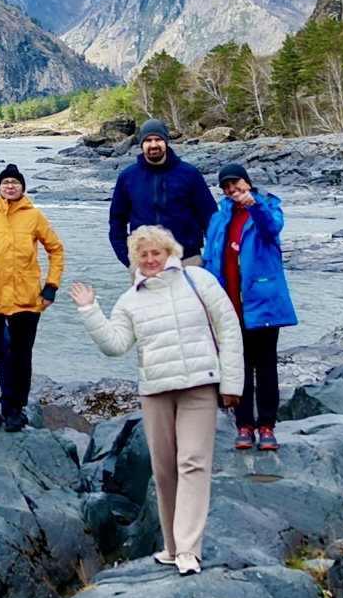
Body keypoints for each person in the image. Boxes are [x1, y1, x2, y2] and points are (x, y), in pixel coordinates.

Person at [68, 225, 242, 575]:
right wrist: (89, 311)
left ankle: (190, 550)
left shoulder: (199, 281)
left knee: (193, 464)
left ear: (170, 253)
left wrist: (232, 383)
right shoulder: (130, 300)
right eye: (143, 255)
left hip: (199, 386)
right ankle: (173, 546)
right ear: (135, 260)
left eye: (155, 253)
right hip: (155, 392)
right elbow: (115, 345)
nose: (150, 260)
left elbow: (228, 327)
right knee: (164, 472)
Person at [199, 163, 297, 452]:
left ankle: (267, 425)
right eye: (226, 186)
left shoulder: (268, 207)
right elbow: (210, 256)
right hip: (229, 302)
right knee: (237, 366)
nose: (232, 190)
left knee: (266, 365)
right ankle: (244, 425)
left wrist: (255, 205)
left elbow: (271, 229)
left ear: (247, 182)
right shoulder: (219, 217)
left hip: (262, 301)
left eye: (235, 183)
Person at [0, 163, 64, 434]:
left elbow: (55, 249)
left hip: (26, 299)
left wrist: (51, 287)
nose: (10, 186)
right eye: (5, 182)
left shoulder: (35, 217)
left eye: (14, 183)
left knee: (21, 358)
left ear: (22, 187)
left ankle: (15, 410)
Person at [108, 118, 216, 269]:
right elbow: (117, 222)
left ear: (166, 141)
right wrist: (129, 259)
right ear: (141, 144)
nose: (153, 145)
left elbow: (210, 219)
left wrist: (212, 257)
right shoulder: (128, 177)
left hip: (187, 260)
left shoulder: (189, 174)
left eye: (158, 139)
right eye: (148, 140)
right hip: (145, 263)